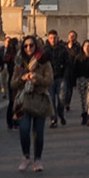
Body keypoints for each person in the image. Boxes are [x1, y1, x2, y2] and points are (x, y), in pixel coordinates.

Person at [14, 40, 54, 170]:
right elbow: (12, 83)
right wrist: (22, 78)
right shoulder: (19, 63)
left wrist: (37, 78)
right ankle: (26, 156)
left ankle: (38, 159)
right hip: (24, 100)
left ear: (36, 46)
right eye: (25, 46)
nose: (28, 48)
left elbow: (49, 81)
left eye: (31, 45)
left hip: (39, 99)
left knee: (39, 132)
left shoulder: (44, 62)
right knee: (24, 130)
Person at [48, 32, 73, 126]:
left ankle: (60, 113)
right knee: (51, 100)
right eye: (51, 38)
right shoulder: (46, 50)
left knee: (61, 99)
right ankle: (53, 119)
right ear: (48, 39)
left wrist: (66, 75)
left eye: (54, 38)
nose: (53, 40)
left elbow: (68, 64)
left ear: (58, 38)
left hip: (61, 77)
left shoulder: (63, 49)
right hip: (50, 78)